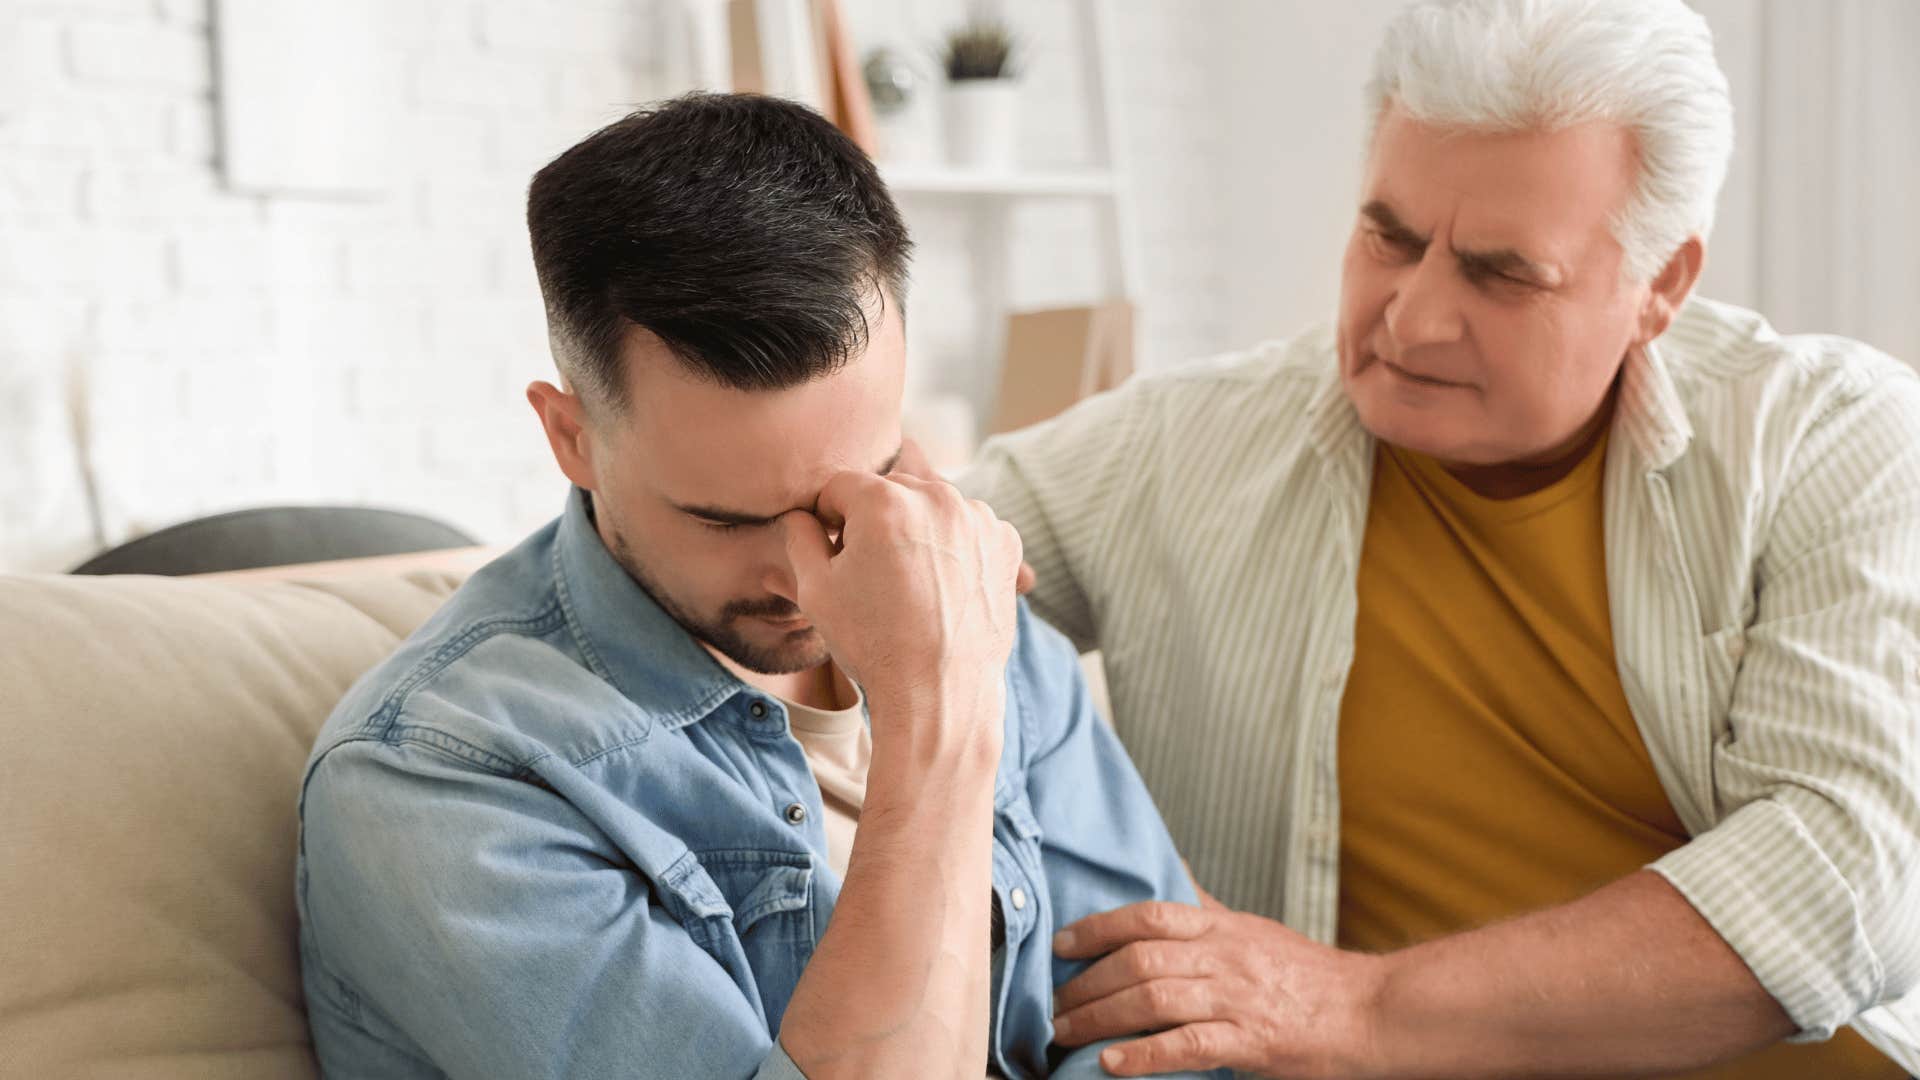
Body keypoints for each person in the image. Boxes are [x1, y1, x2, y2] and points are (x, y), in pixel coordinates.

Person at [960, 0, 1920, 1076]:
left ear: (1661, 287)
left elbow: (1852, 876)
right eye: (1391, 237)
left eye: (1502, 273)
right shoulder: (1179, 446)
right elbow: (905, 573)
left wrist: (1354, 1007)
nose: (1412, 318)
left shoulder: (1834, 440)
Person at [295, 93, 1220, 1080]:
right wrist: (937, 720)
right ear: (571, 436)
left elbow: (1165, 1037)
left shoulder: (975, 611)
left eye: (851, 487)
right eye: (725, 520)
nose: (806, 576)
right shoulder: (439, 782)